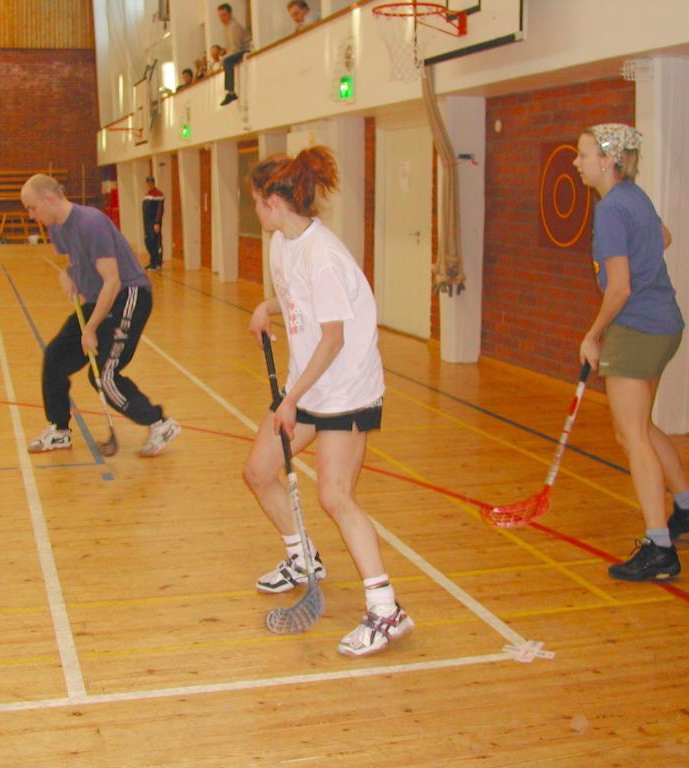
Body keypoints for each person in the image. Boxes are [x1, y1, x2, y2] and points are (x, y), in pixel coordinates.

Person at [244, 146, 412, 657]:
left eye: (255, 201)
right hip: (311, 383)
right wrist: (267, 307)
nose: (255, 210)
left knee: (335, 496)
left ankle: (386, 610)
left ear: (274, 202)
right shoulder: (282, 243)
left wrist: (291, 399)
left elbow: (334, 337)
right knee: (258, 471)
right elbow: (297, 298)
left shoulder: (324, 256)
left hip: (345, 390)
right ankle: (303, 559)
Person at [573, 123, 689, 582]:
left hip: (637, 329)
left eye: (583, 155)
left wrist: (593, 335)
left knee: (631, 435)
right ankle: (687, 508)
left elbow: (619, 289)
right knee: (642, 426)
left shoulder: (612, 208)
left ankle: (660, 548)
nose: (577, 163)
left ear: (607, 161)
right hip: (663, 324)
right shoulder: (634, 196)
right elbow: (662, 236)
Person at [20, 174, 181, 457]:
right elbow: (76, 260)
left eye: (32, 208)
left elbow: (113, 281)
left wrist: (90, 328)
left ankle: (160, 423)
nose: (32, 216)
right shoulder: (57, 227)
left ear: (49, 199)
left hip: (128, 296)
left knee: (104, 376)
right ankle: (59, 430)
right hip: (98, 300)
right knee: (55, 358)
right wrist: (69, 274)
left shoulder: (90, 223)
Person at [217, 3, 252, 106]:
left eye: (224, 15)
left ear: (230, 14)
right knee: (225, 60)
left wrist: (223, 58)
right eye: (220, 16)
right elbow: (229, 47)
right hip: (237, 50)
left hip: (246, 49)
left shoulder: (234, 26)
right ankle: (230, 92)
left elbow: (236, 49)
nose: (221, 18)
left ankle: (231, 92)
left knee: (227, 61)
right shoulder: (225, 27)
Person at [142, 176, 164, 271]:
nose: (149, 184)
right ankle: (152, 262)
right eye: (148, 183)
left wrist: (157, 223)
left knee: (155, 242)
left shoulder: (159, 194)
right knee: (148, 242)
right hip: (147, 223)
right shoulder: (146, 195)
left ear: (153, 183)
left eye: (151, 182)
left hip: (154, 223)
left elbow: (160, 210)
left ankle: (157, 263)